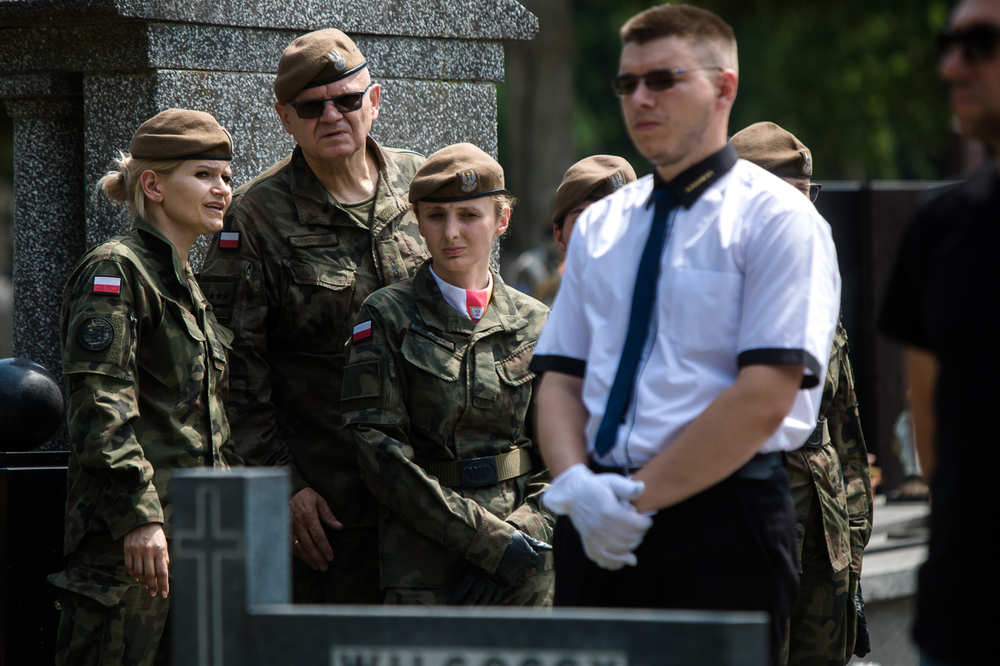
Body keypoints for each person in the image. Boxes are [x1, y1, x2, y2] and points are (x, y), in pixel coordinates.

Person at [529, 6, 841, 665]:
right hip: (593, 517)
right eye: (626, 84)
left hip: (721, 518)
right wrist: (580, 487)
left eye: (663, 79)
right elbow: (560, 375)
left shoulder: (778, 219)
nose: (640, 99)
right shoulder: (602, 225)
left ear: (724, 87)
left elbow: (764, 394)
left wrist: (638, 499)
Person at [198, 28, 428, 604]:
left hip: (430, 488)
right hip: (329, 505)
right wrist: (285, 487)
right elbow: (233, 369)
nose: (332, 115)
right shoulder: (254, 217)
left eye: (347, 99)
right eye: (311, 106)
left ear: (374, 100)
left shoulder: (423, 188)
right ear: (285, 117)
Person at [48, 108, 241, 665]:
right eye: (204, 174)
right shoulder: (117, 271)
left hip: (195, 541)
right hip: (127, 546)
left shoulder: (185, 285)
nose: (222, 189)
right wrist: (141, 516)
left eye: (226, 177)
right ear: (154, 185)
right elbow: (98, 408)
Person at [340, 143, 554, 606]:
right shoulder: (387, 315)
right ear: (417, 221)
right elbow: (378, 450)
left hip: (526, 558)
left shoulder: (537, 322)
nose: (451, 232)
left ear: (501, 220)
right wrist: (484, 539)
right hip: (425, 560)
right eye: (436, 215)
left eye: (469, 216)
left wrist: (528, 530)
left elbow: (563, 452)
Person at [878, 1, 1000, 664]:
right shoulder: (941, 227)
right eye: (948, 43)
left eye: (980, 43)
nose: (952, 65)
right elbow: (934, 430)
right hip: (965, 618)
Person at [732, 121, 873, 666]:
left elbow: (847, 426)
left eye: (807, 193)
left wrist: (856, 541)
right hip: (750, 506)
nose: (804, 210)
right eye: (787, 196)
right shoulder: (714, 284)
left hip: (823, 515)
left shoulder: (814, 284)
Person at [533, 155, 637, 304]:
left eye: (614, 220)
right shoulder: (541, 316)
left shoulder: (664, 303)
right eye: (582, 221)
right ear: (559, 236)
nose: (599, 233)